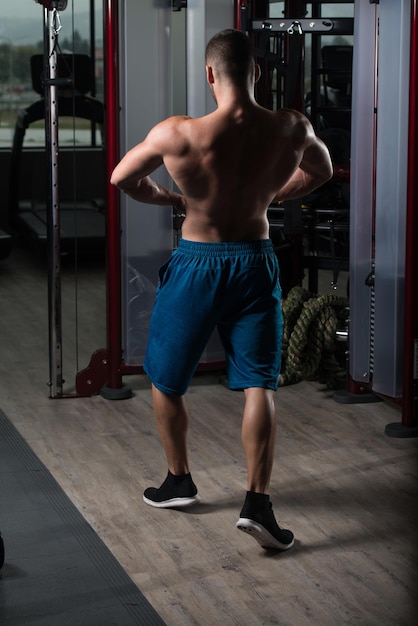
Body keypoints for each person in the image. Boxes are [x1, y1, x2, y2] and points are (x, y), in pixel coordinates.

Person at [111, 29, 332, 551]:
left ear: (210, 74)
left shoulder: (176, 134)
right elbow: (321, 171)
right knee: (260, 383)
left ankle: (179, 480)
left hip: (196, 263)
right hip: (256, 261)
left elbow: (122, 177)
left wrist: (173, 200)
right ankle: (257, 502)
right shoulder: (291, 127)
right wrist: (271, 192)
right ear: (258, 73)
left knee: (166, 380)